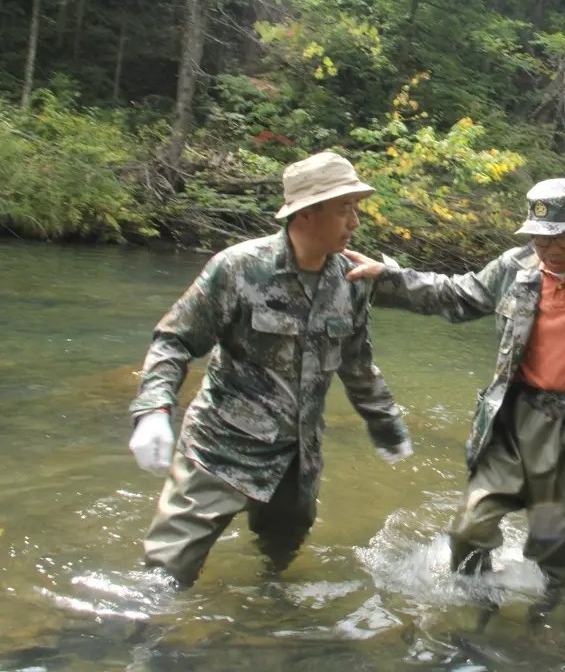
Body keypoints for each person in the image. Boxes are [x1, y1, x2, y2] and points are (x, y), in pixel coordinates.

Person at [343, 179, 565, 615]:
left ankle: (544, 622)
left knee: (555, 552)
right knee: (470, 529)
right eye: (537, 237)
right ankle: (476, 614)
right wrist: (389, 278)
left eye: (559, 239)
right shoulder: (516, 266)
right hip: (514, 421)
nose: (546, 250)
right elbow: (457, 294)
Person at [127, 152, 413, 587]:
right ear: (307, 213)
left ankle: (265, 624)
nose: (355, 222)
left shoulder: (351, 282)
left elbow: (357, 366)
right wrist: (153, 410)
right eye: (344, 209)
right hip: (220, 450)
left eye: (356, 209)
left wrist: (385, 422)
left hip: (297, 459)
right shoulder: (239, 268)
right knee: (166, 572)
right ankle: (140, 643)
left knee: (280, 556)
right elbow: (175, 340)